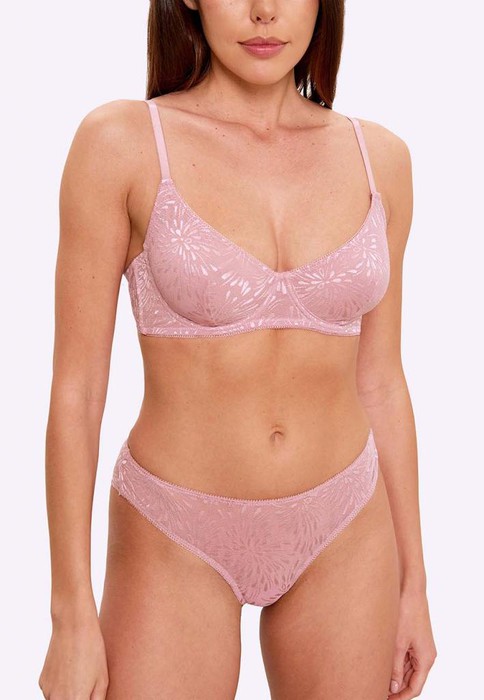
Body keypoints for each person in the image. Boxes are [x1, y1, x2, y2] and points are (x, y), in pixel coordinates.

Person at [39, 1, 437, 698]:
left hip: (346, 525)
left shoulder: (381, 160)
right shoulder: (123, 143)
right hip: (174, 529)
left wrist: (416, 585)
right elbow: (78, 393)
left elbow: (381, 382)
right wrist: (71, 615)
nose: (264, 12)